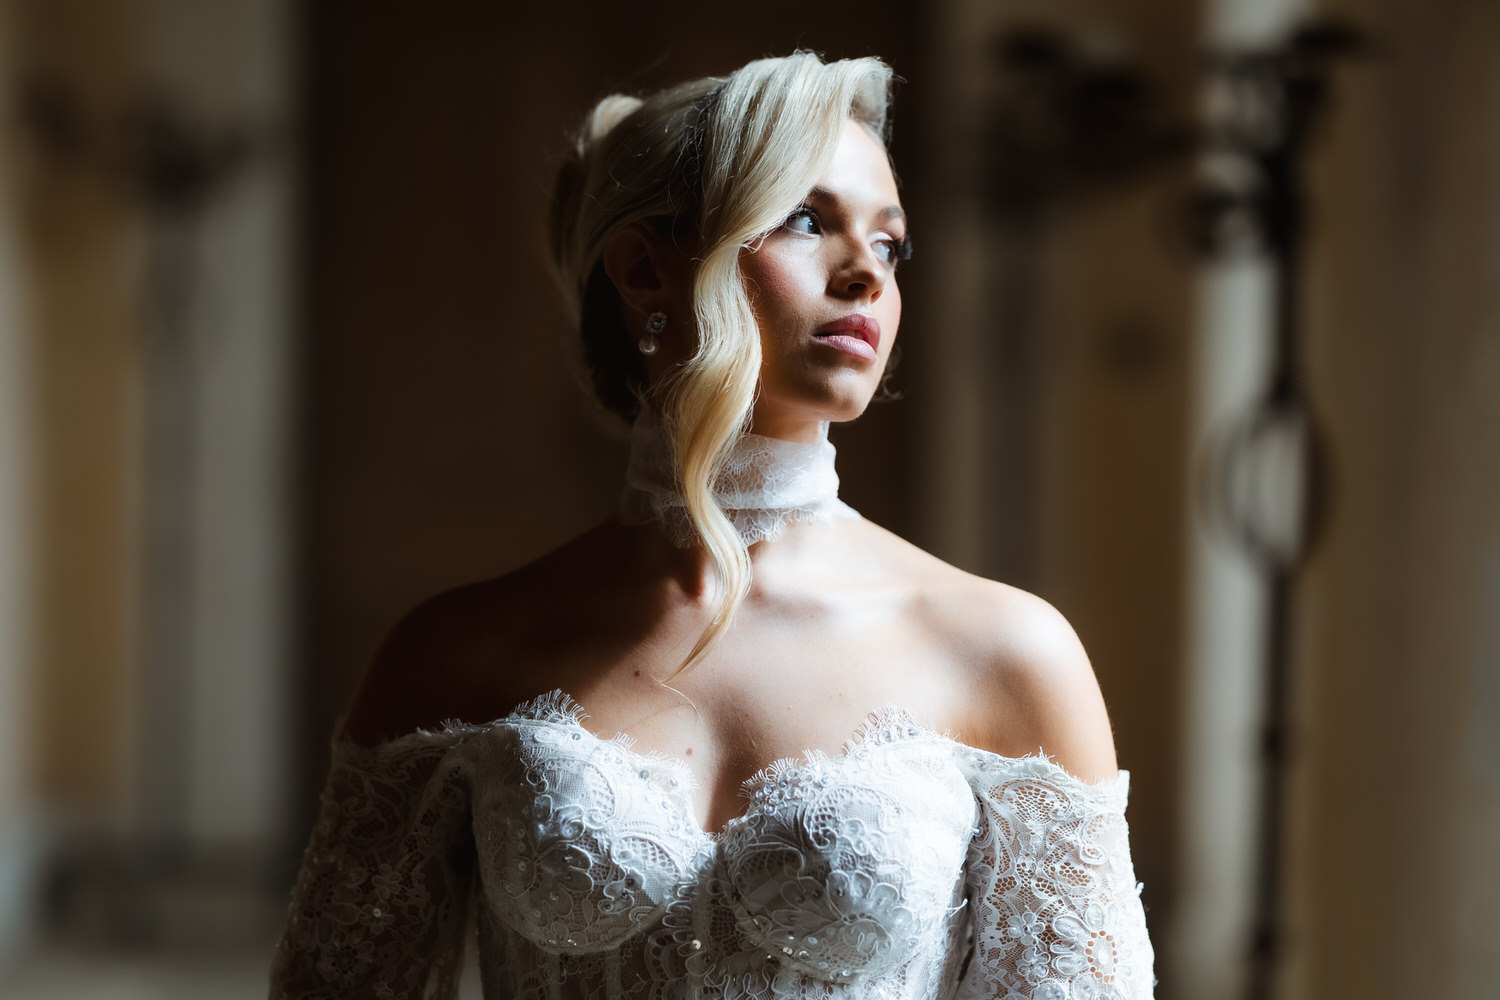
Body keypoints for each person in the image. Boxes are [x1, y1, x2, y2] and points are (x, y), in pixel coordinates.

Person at [269, 52, 1155, 1000]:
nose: (866, 273)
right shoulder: (454, 655)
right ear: (644, 267)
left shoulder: (1006, 653)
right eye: (808, 219)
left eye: (891, 246)